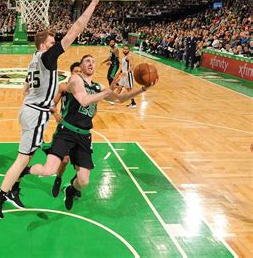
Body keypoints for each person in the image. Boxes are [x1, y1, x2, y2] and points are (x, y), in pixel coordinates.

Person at [0, 0, 100, 220]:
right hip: (35, 113)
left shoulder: (34, 60)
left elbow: (26, 86)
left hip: (30, 109)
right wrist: (92, 5)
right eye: (51, 42)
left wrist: (37, 97)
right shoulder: (47, 57)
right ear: (43, 46)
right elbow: (74, 31)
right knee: (22, 158)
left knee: (27, 157)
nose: (54, 43)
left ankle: (13, 190)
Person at [20, 54, 156, 211]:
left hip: (84, 135)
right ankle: (26, 170)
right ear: (81, 66)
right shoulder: (75, 80)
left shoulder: (98, 87)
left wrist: (142, 89)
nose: (91, 63)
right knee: (48, 170)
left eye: (93, 61)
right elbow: (84, 100)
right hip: (67, 131)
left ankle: (71, 189)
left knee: (83, 182)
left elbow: (119, 99)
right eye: (87, 61)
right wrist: (108, 91)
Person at [48, 61, 81, 197]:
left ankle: (74, 186)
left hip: (80, 130)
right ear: (71, 73)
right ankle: (58, 179)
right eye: (76, 72)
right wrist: (55, 114)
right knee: (65, 159)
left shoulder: (87, 88)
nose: (78, 74)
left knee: (79, 164)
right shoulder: (64, 87)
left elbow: (94, 108)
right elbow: (51, 104)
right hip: (66, 126)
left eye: (80, 72)